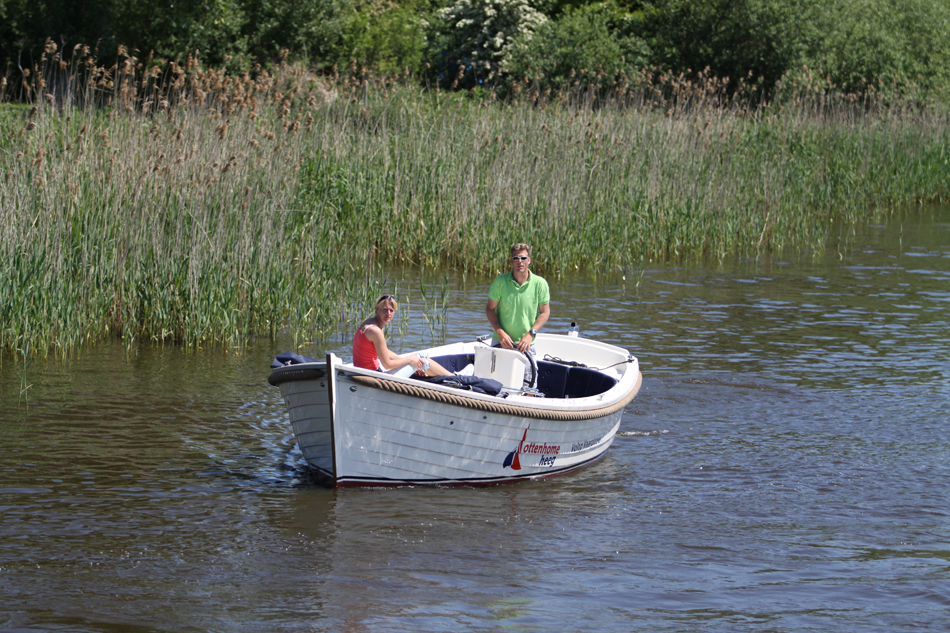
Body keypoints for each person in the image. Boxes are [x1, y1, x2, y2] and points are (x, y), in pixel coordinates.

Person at [353, 294, 452, 378]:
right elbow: (387, 365)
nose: (388, 313)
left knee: (417, 359)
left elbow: (383, 351)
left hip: (364, 373)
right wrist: (409, 360)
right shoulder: (376, 331)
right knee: (421, 358)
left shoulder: (368, 323)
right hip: (374, 377)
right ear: (377, 309)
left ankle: (450, 377)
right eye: (385, 309)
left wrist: (410, 362)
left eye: (391, 310)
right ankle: (454, 378)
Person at [485, 242, 550, 359]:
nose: (520, 261)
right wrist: (500, 333)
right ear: (511, 261)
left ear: (529, 260)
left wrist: (531, 335)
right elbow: (490, 309)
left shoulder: (540, 284)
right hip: (501, 342)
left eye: (523, 258)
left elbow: (545, 312)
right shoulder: (500, 281)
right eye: (516, 258)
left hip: (526, 344)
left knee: (528, 377)